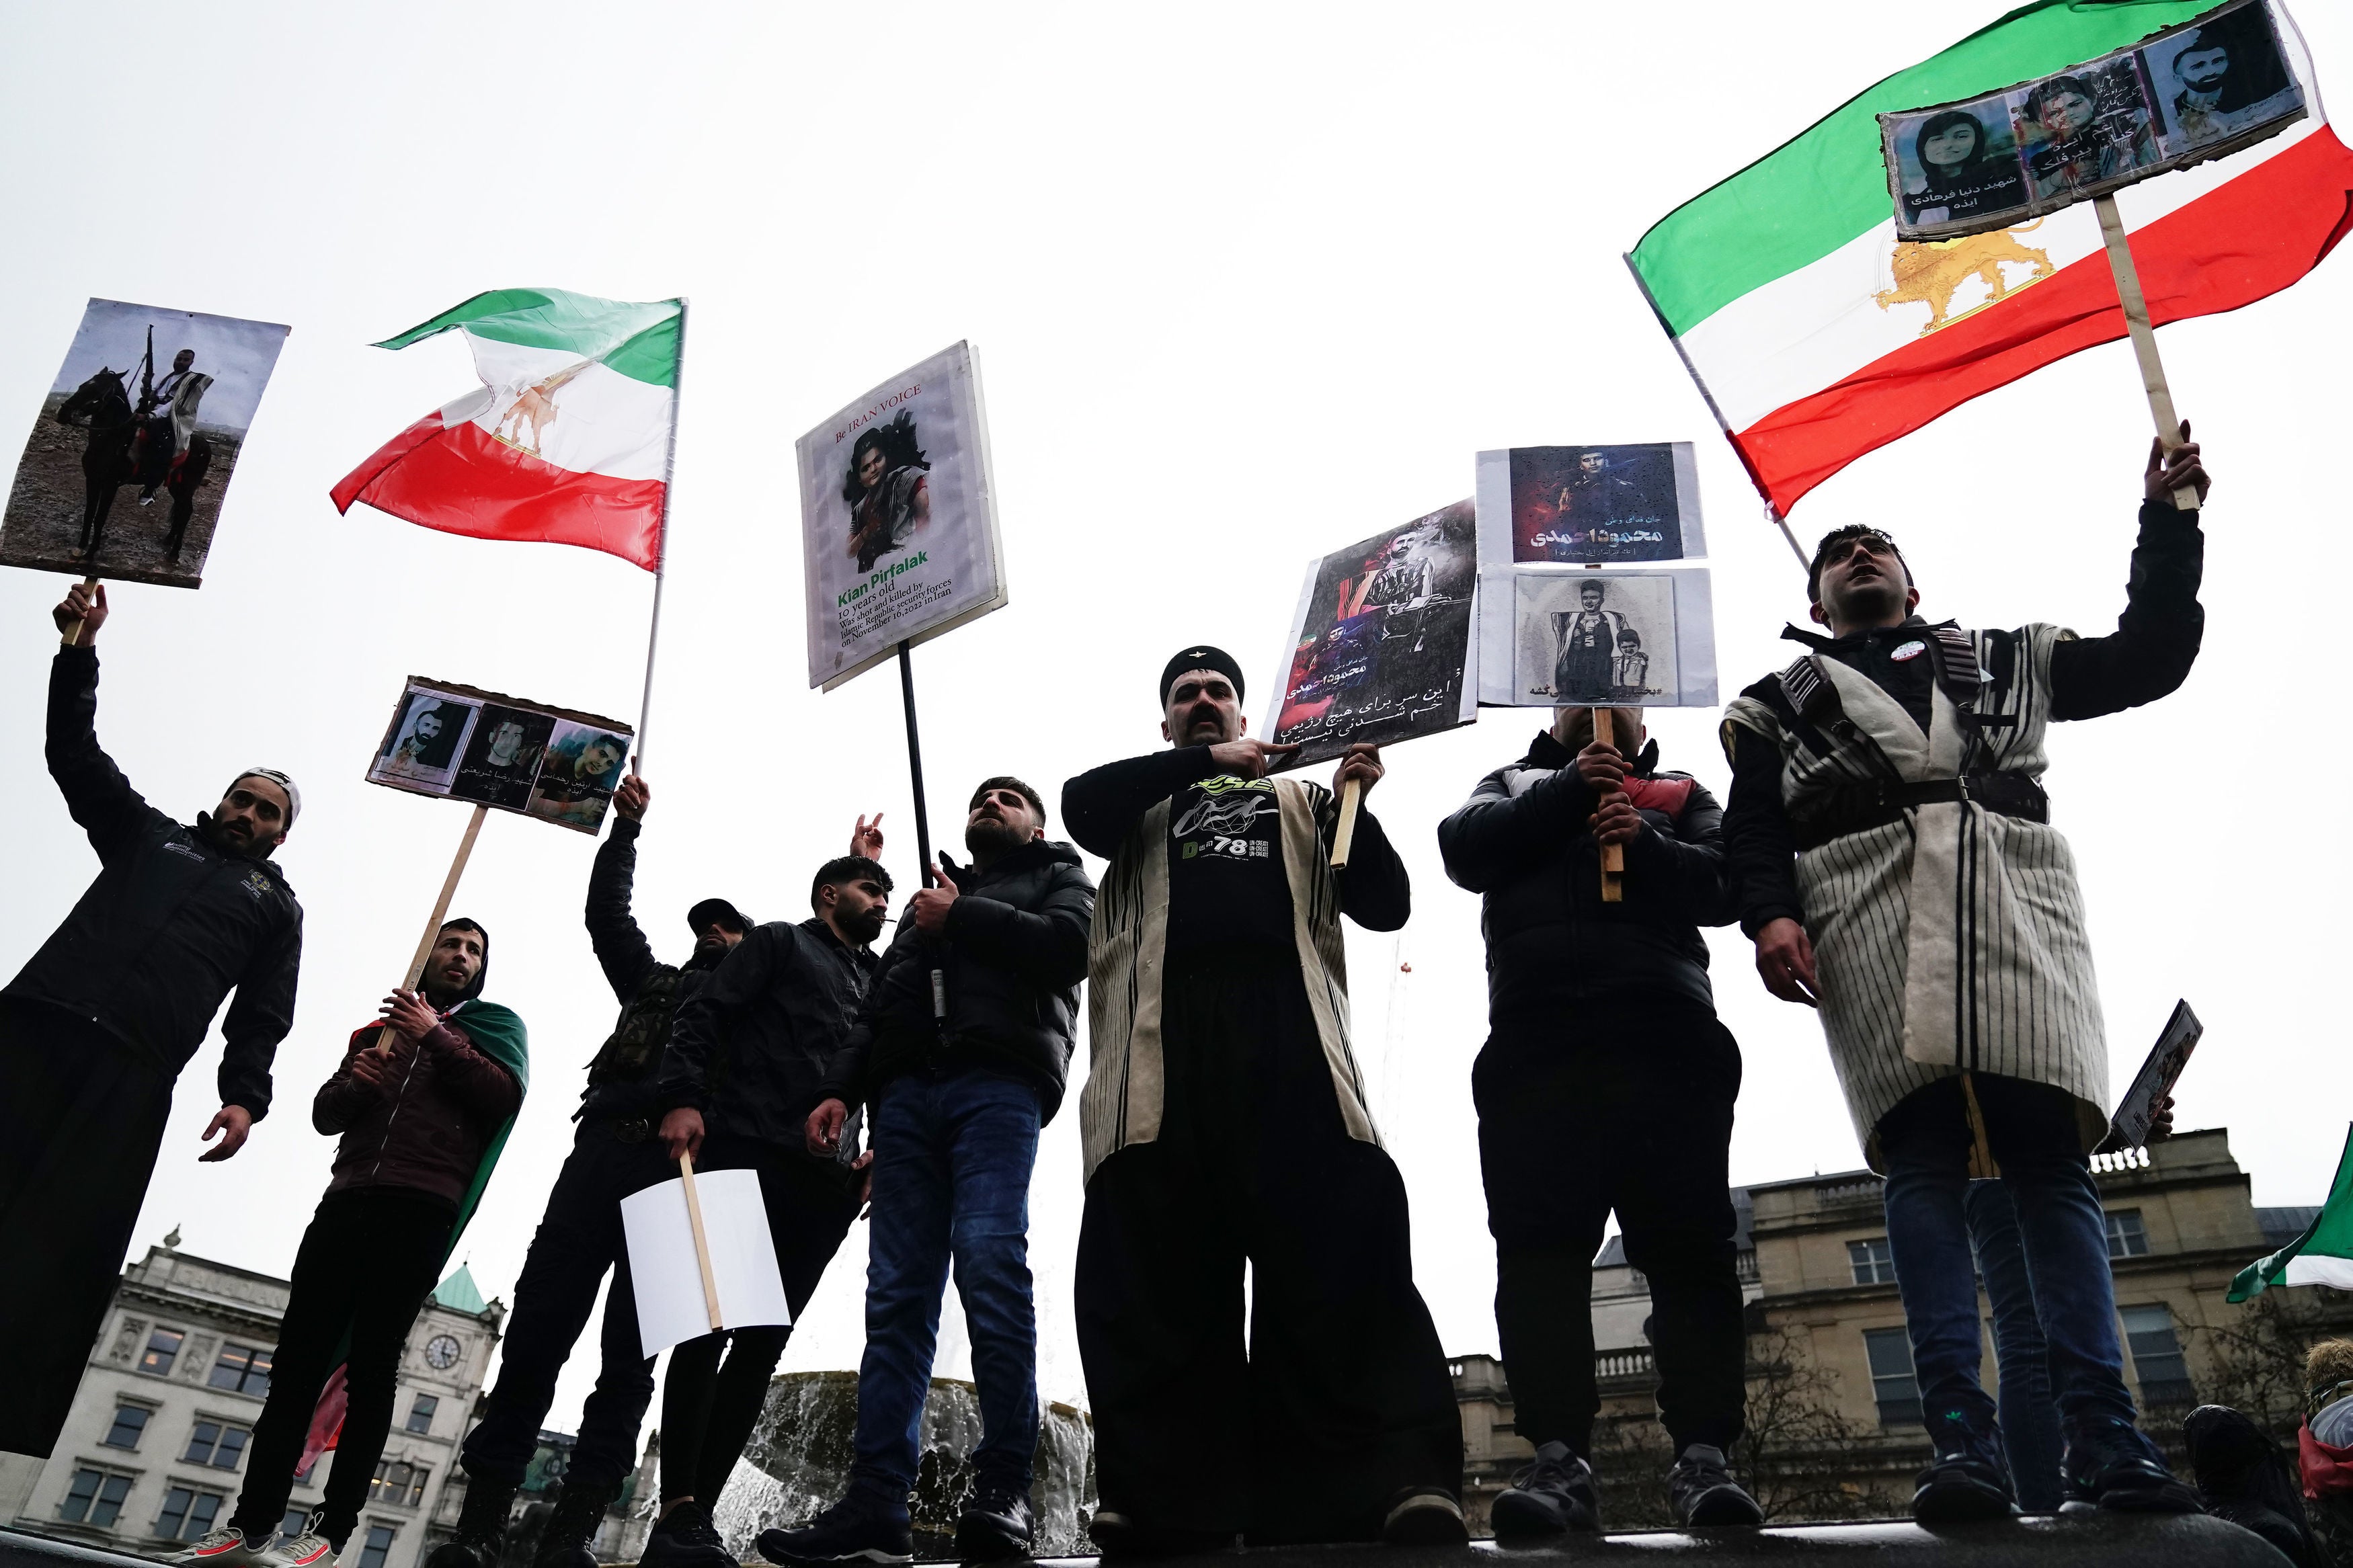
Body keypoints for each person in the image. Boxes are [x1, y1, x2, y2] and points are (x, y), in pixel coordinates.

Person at [1719, 432, 2212, 1520]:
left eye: (1876, 545)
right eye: (1838, 551)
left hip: (2015, 905)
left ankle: (2108, 1432)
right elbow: (1752, 829)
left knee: (2051, 1164)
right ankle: (1961, 1440)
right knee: (1923, 1164)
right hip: (1869, 915)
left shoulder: (2002, 655)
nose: (1857, 554)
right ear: (1819, 591)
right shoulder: (1775, 700)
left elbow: (2150, 655)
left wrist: (2169, 523)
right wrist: (1769, 916)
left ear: (1910, 582)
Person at [1060, 647, 1465, 1551]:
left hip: (1292, 1041)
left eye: (1218, 695)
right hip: (1157, 1056)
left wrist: (1362, 795)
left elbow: (1386, 904)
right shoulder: (1135, 808)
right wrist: (1207, 766)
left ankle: (1386, 1480)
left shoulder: (1311, 802)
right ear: (1167, 724)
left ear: (1246, 715)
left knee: (1338, 1255)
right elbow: (1078, 801)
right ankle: (1162, 1498)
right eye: (1185, 697)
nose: (1202, 703)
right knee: (1159, 1275)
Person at [428, 779, 834, 1568]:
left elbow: (826, 1008)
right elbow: (606, 917)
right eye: (706, 925)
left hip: (686, 1175)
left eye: (731, 925)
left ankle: (573, 1532)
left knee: (630, 1365)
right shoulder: (651, 982)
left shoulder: (765, 1010)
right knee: (537, 1339)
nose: (715, 933)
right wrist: (625, 830)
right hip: (604, 1156)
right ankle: (476, 1527)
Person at [1439, 704, 1760, 1534]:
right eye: (1574, 690)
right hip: (1533, 1037)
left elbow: (1727, 883)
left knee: (1690, 1250)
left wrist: (1645, 839)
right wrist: (1567, 795)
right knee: (1538, 1252)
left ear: (1642, 703)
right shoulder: (1510, 781)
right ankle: (1557, 1456)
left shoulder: (1680, 789)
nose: (1596, 699)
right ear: (1550, 708)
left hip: (1667, 1031)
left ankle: (1703, 1456)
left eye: (1619, 687)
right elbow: (1462, 848)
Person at [758, 778, 1095, 1567]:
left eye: (1009, 797)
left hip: (998, 1082)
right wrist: (840, 1086)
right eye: (981, 796)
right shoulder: (922, 906)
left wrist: (965, 917)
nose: (992, 803)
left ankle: (1002, 1486)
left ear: (1035, 824)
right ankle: (876, 1498)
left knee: (987, 1258)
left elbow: (1071, 949)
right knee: (898, 1292)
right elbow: (877, 1004)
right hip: (905, 1093)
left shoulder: (1061, 873)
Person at [0, 583, 303, 1459]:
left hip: (131, 1075)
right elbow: (74, 755)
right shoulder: (147, 836)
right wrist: (77, 652)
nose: (247, 812)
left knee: (56, 1251)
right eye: (240, 798)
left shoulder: (275, 907)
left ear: (281, 836)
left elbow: (263, 1015)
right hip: (37, 1027)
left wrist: (246, 1096)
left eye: (266, 810)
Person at [174, 920, 527, 1568]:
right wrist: (355, 1085)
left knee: (372, 1369)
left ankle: (331, 1532)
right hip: (345, 1201)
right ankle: (250, 1523)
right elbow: (324, 1114)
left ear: (482, 969)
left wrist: (436, 1036)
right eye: (450, 943)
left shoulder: (492, 1027)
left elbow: (501, 1096)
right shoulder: (375, 1034)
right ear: (426, 956)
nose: (461, 955)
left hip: (421, 1205)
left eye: (474, 950)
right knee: (296, 1366)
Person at [634, 841, 898, 1565]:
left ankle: (702, 1516)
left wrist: (877, 1148)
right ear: (827, 896)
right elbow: (703, 1016)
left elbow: (881, 1070)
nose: (881, 900)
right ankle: (677, 1507)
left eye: (886, 891)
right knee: (703, 1324)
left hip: (827, 1183)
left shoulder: (880, 982)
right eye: (867, 887)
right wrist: (683, 1098)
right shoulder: (780, 941)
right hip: (742, 1144)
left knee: (760, 1345)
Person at [2024, 73, 2155, 200]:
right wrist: (2060, 178)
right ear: (2041, 122)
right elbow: (2036, 200)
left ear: (2092, 99)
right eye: (2054, 113)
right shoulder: (2040, 161)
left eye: (2075, 104)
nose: (2068, 114)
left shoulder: (2130, 121)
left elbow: (2152, 160)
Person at [1900, 107, 2027, 229]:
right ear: (1923, 148)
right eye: (1937, 139)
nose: (1948, 145)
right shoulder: (1913, 199)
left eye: (1961, 137)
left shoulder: (2007, 175)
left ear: (1977, 142)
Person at [844, 411, 930, 573]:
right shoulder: (860, 509)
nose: (873, 469)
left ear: (886, 458)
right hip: (873, 577)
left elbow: (924, 516)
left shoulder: (904, 479)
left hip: (910, 565)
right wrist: (867, 531)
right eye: (866, 468)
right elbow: (849, 552)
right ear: (859, 478)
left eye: (877, 460)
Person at [134, 346, 209, 504]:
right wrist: (145, 385)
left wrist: (152, 416)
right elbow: (152, 396)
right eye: (179, 358)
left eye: (185, 360)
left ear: (191, 362)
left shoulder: (190, 382)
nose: (181, 362)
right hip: (152, 411)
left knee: (161, 445)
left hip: (171, 418)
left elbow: (175, 405)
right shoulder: (167, 377)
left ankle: (150, 487)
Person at [1552, 580, 1626, 703]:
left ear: (1601, 600)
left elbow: (1621, 645)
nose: (1589, 602)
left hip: (1602, 676)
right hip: (1576, 678)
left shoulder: (1612, 621)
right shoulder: (1571, 621)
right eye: (1585, 598)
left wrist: (1598, 644)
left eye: (1593, 598)